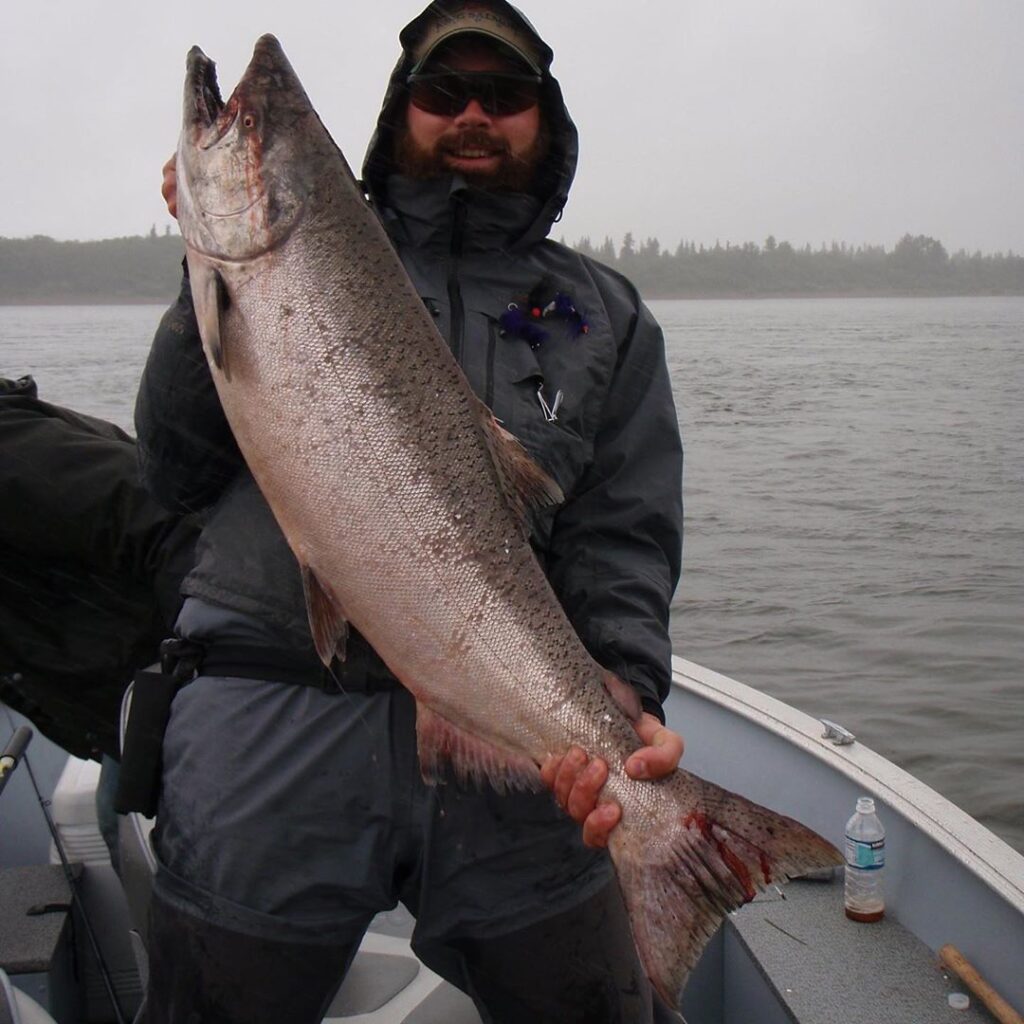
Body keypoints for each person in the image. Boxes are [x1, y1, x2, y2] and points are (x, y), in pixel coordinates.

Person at [135, 1, 684, 1021]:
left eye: (504, 95)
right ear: (400, 113)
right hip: (271, 711)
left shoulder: (602, 315)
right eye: (444, 92)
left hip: (517, 751)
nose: (472, 114)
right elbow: (171, 465)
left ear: (543, 119)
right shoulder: (289, 258)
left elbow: (623, 535)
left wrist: (628, 690)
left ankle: (672, 845)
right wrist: (201, 277)